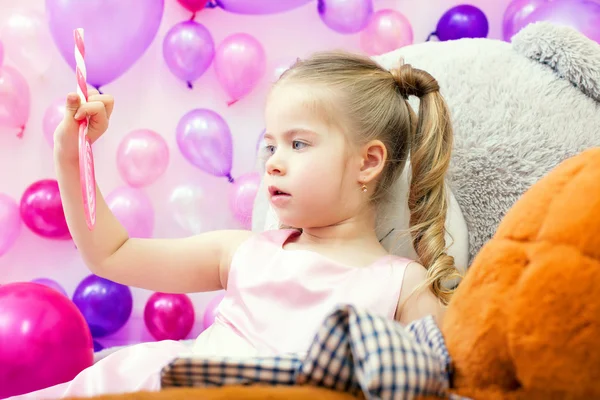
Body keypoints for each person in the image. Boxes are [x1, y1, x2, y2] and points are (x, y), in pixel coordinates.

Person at [11, 51, 461, 398]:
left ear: (369, 161)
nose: (274, 164)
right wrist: (71, 157)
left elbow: (446, 382)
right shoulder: (245, 252)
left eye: (298, 144)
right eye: (271, 147)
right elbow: (111, 253)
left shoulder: (404, 286)